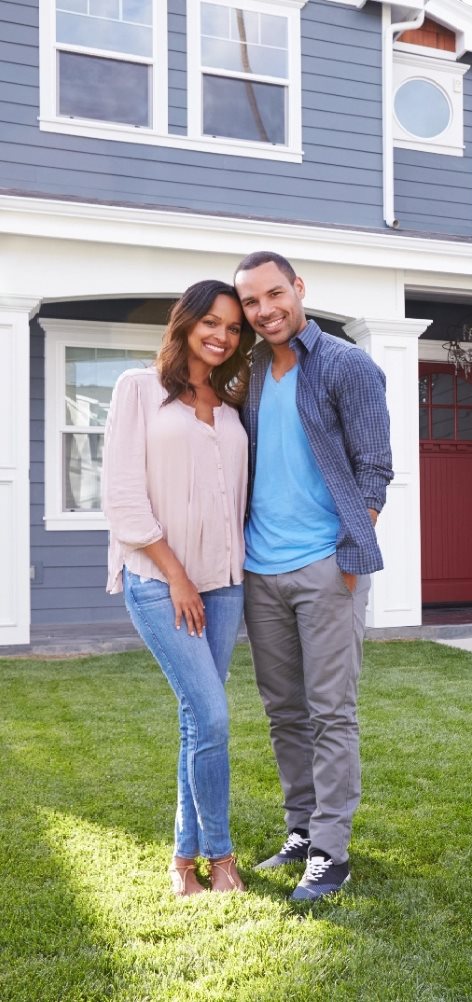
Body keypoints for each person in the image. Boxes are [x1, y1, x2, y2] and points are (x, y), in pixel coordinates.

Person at [234, 250, 392, 901]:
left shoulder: (346, 365)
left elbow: (375, 469)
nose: (265, 310)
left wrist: (348, 556)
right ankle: (300, 829)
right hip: (260, 571)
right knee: (284, 712)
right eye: (251, 302)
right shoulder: (248, 374)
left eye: (275, 294)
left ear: (299, 288)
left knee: (331, 711)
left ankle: (331, 849)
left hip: (326, 568)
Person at [102, 280, 252, 897]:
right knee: (211, 714)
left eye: (234, 328)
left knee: (199, 722)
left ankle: (182, 863)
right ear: (186, 323)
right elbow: (122, 496)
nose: (221, 336)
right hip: (162, 584)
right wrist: (177, 574)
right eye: (211, 323)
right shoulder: (138, 389)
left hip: (225, 585)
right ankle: (221, 859)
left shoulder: (234, 403)